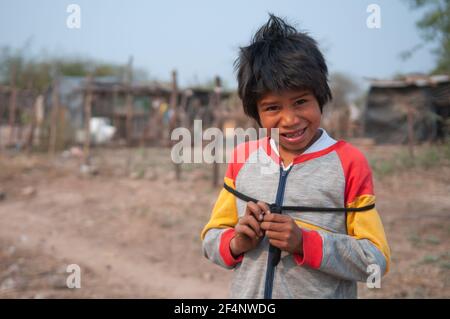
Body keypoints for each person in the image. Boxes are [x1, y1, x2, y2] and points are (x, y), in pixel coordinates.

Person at [201, 14, 390, 299]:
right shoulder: (243, 159)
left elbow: (374, 262)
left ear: (320, 97)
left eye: (301, 101)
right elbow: (211, 239)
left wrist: (305, 243)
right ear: (256, 113)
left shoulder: (349, 163)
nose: (289, 119)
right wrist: (237, 242)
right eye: (273, 107)